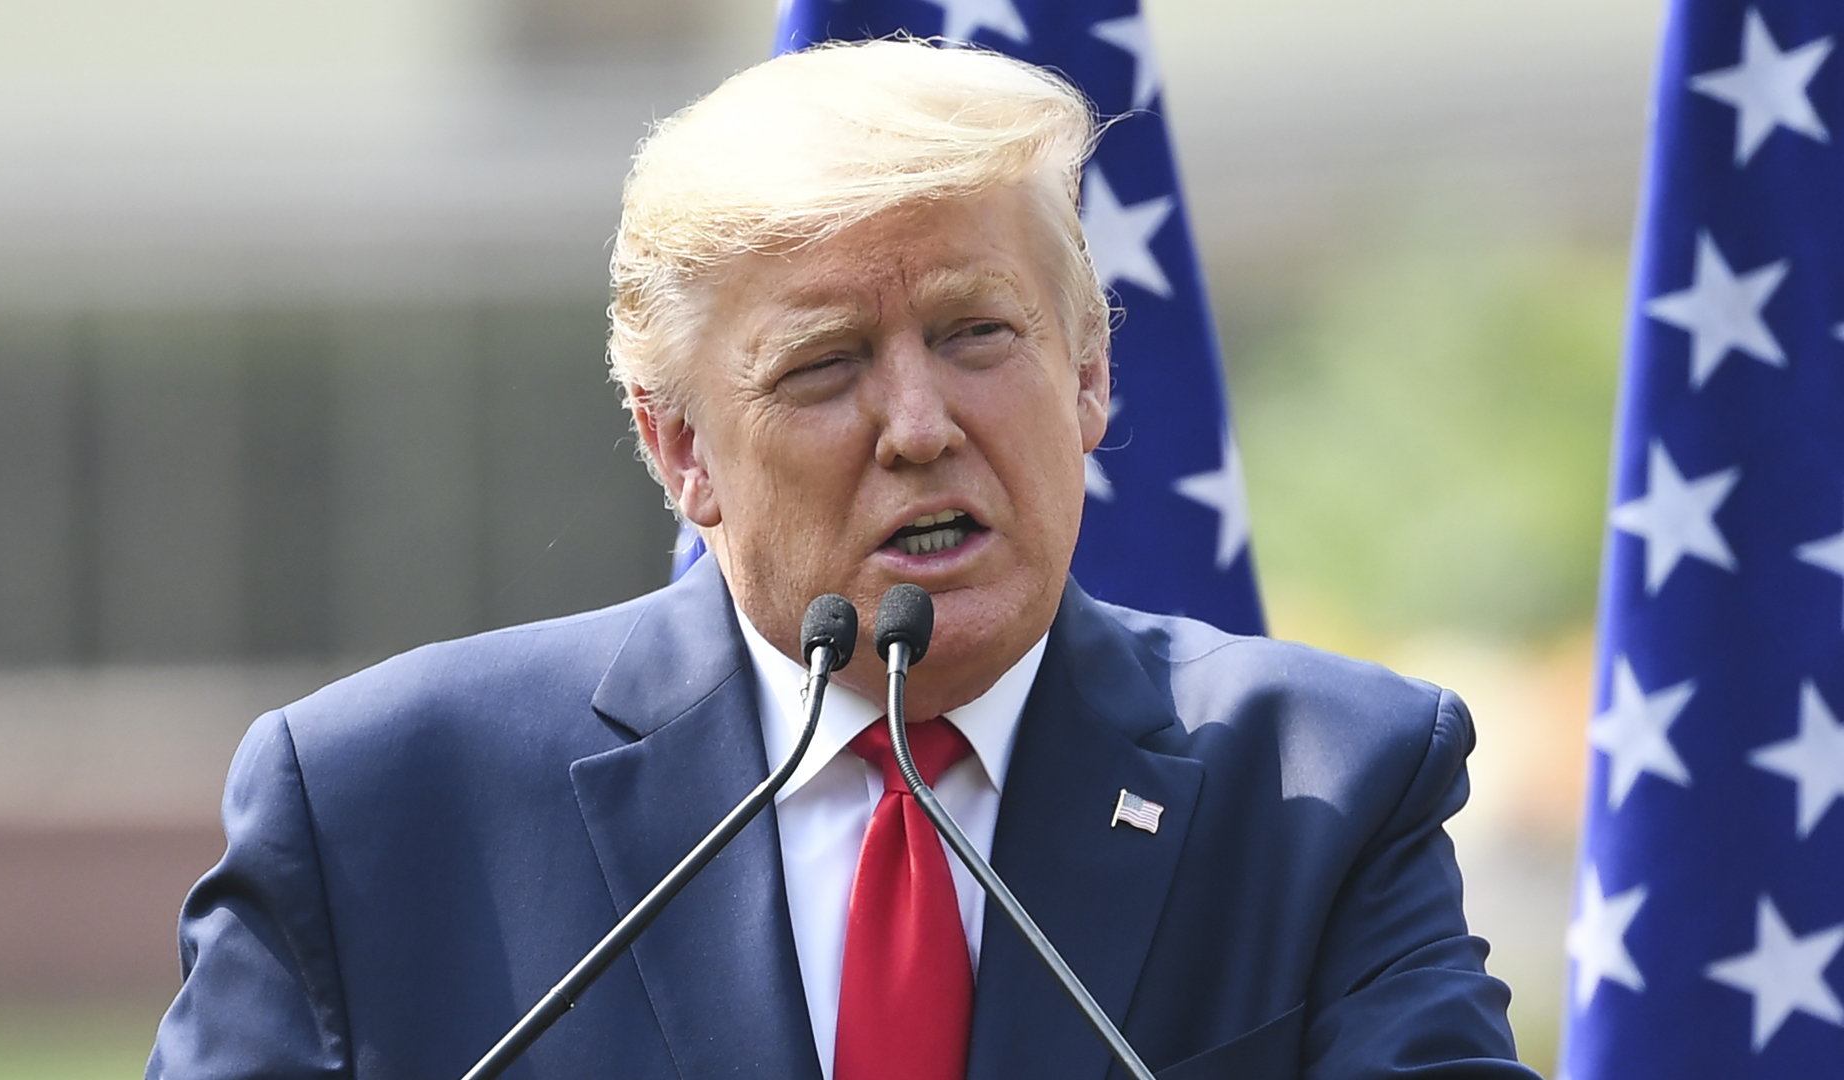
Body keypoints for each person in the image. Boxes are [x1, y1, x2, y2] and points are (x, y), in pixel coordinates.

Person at [149, 40, 1537, 1080]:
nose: (920, 428)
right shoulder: (377, 811)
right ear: (680, 445)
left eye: (978, 334)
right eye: (823, 368)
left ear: (1093, 375)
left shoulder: (1325, 788)